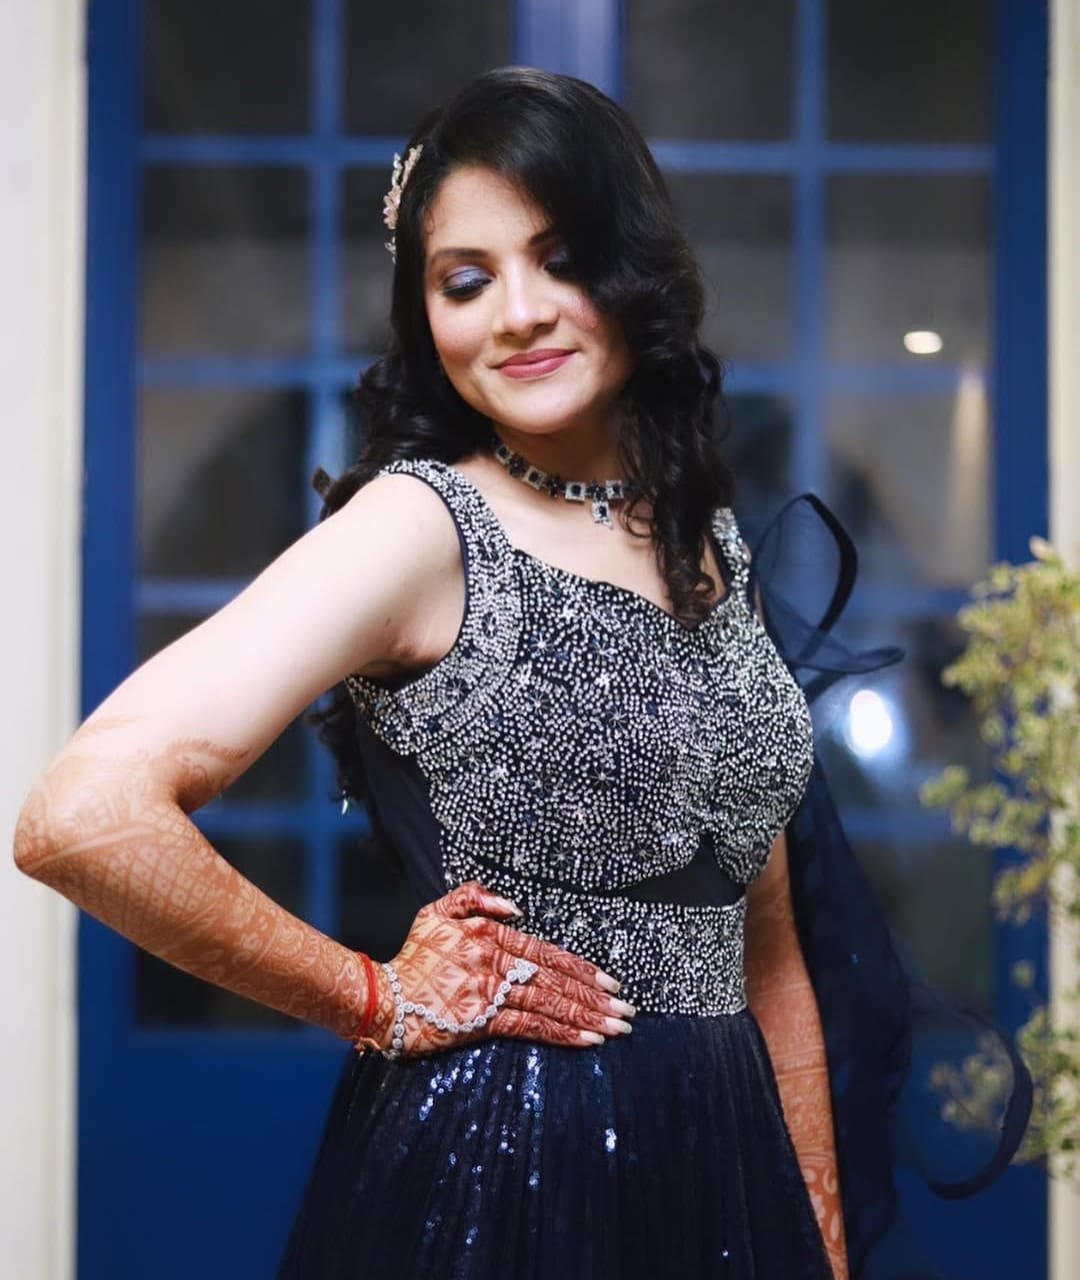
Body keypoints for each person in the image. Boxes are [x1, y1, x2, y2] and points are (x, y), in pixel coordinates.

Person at [13, 66, 1030, 1280]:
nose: (519, 314)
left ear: (635, 268)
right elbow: (81, 815)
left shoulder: (707, 536)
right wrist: (373, 995)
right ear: (425, 312)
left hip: (725, 1162)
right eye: (466, 280)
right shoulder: (418, 527)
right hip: (505, 1166)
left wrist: (817, 1225)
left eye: (561, 259)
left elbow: (765, 939)